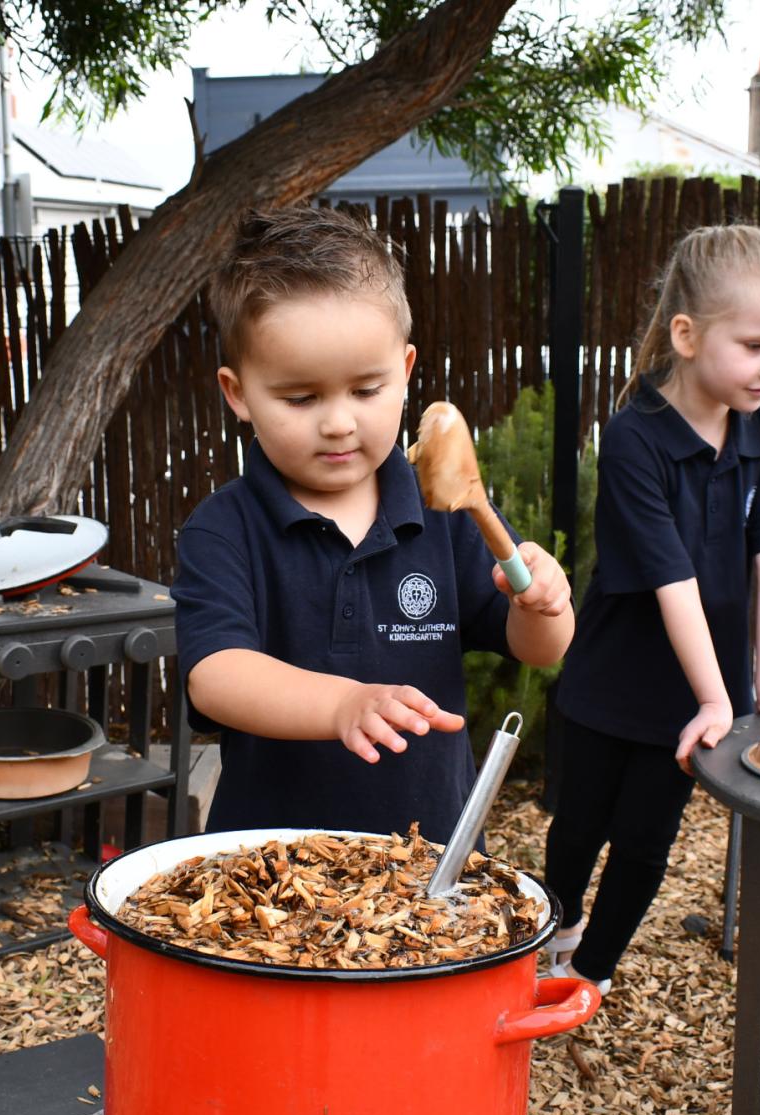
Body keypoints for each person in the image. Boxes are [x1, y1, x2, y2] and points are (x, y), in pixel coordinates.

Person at [173, 206, 574, 845]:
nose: (338, 422)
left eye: (366, 390)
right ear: (238, 392)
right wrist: (341, 705)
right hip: (272, 863)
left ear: (407, 371)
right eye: (301, 398)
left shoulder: (446, 513)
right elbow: (216, 675)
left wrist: (545, 604)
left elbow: (539, 649)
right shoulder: (224, 530)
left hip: (427, 859)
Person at [542, 223, 760, 995]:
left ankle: (590, 973)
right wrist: (715, 695)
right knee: (578, 828)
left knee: (645, 840)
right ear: (687, 334)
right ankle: (553, 933)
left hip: (697, 688)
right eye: (757, 344)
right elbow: (671, 579)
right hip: (615, 677)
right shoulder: (636, 436)